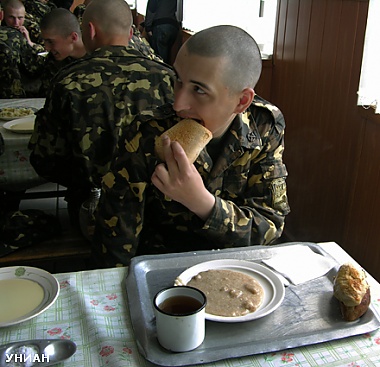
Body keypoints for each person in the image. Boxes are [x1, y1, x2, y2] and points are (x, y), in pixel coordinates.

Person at [93, 25, 290, 267]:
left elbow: (269, 228)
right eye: (177, 80)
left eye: (198, 90)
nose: (178, 104)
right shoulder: (150, 130)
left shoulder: (264, 126)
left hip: (231, 264)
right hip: (162, 262)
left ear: (241, 101)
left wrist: (202, 203)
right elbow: (117, 232)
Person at [28, 0, 175, 225]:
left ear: (90, 30)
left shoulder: (68, 81)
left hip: (94, 210)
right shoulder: (167, 78)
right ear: (131, 32)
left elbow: (45, 158)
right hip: (160, 208)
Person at [0, 2, 45, 97]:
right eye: (11, 17)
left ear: (25, 16)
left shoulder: (32, 27)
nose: (16, 23)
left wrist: (29, 42)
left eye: (20, 18)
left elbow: (46, 50)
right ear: (3, 15)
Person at [38, 8, 86, 95]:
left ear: (73, 37)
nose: (47, 48)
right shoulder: (53, 61)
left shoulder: (100, 56)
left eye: (50, 41)